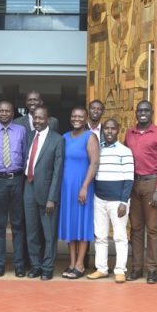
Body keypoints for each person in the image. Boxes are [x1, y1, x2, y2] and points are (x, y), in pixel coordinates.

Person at [123, 100, 157, 284]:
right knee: (135, 229)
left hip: (151, 184)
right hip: (133, 184)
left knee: (152, 229)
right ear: (136, 112)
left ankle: (152, 270)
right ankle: (136, 268)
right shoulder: (129, 133)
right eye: (140, 110)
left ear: (151, 112)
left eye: (146, 110)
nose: (142, 113)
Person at [86, 119, 133, 284]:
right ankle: (102, 269)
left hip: (117, 201)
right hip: (99, 199)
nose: (109, 131)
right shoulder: (98, 149)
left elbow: (129, 178)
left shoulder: (125, 151)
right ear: (103, 130)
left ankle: (120, 270)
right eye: (106, 128)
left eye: (113, 128)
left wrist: (124, 202)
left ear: (118, 130)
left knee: (120, 236)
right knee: (100, 236)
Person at [0, 101, 27, 277]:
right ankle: (0, 264)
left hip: (17, 179)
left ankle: (19, 264)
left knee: (18, 224)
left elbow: (25, 155)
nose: (4, 113)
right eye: (1, 110)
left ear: (12, 113)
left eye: (7, 111)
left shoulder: (21, 131)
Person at [58, 107, 100, 279]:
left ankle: (80, 264)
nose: (77, 119)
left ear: (86, 119)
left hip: (83, 186)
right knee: (71, 223)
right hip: (66, 188)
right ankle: (72, 262)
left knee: (82, 224)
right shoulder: (64, 137)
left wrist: (84, 186)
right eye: (74, 116)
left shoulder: (90, 137)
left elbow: (94, 163)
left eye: (80, 116)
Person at [23, 106, 64, 280]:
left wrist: (52, 198)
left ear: (48, 119)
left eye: (41, 118)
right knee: (31, 231)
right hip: (28, 188)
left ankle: (47, 267)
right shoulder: (30, 136)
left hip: (47, 193)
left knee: (49, 233)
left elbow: (57, 171)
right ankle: (36, 265)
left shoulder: (57, 139)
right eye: (35, 118)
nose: (37, 121)